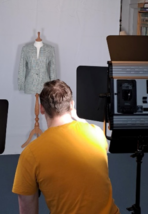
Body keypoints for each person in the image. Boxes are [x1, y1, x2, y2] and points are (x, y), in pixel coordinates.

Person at [12, 79, 120, 214]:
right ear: (72, 105)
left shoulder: (30, 154)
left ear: (41, 109)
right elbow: (85, 126)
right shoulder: (96, 133)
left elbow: (27, 207)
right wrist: (77, 117)